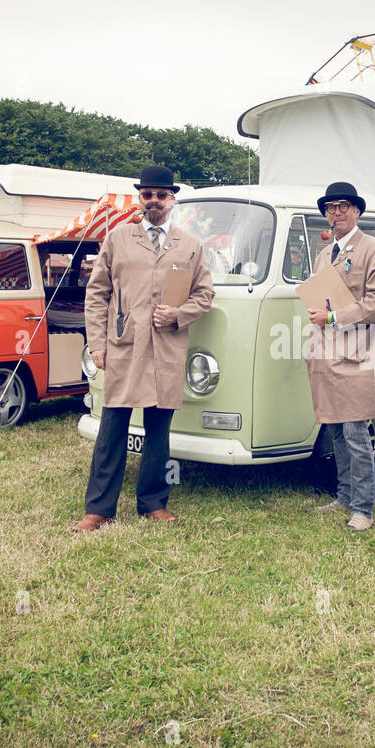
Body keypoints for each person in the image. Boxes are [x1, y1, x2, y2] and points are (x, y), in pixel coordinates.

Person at [73, 165, 215, 532]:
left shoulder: (189, 245)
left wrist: (178, 314)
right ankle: (99, 508)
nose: (154, 201)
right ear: (140, 199)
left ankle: (153, 502)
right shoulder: (118, 238)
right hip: (124, 346)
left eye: (161, 195)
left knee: (158, 430)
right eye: (147, 195)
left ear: (172, 200)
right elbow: (97, 293)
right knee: (112, 427)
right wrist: (97, 343)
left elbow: (204, 295)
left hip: (166, 348)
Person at [305, 181, 375, 533]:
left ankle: (364, 508)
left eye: (343, 206)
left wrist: (332, 317)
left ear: (357, 210)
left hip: (356, 355)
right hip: (325, 355)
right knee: (336, 430)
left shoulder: (374, 250)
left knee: (357, 430)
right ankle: (343, 496)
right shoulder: (323, 253)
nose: (336, 212)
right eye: (330, 207)